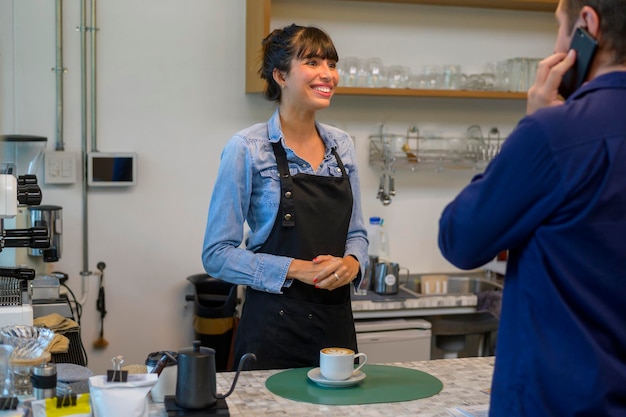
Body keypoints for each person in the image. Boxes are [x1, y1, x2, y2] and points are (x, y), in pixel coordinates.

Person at [438, 0, 626, 415]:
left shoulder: (556, 133)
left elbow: (459, 238)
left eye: (559, 29)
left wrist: (532, 123)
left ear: (587, 24)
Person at [202, 24, 368, 370]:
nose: (328, 75)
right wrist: (297, 269)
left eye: (332, 64)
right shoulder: (247, 148)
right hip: (271, 332)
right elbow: (217, 255)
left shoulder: (343, 146)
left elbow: (357, 234)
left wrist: (352, 264)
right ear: (280, 74)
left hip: (335, 331)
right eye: (312, 62)